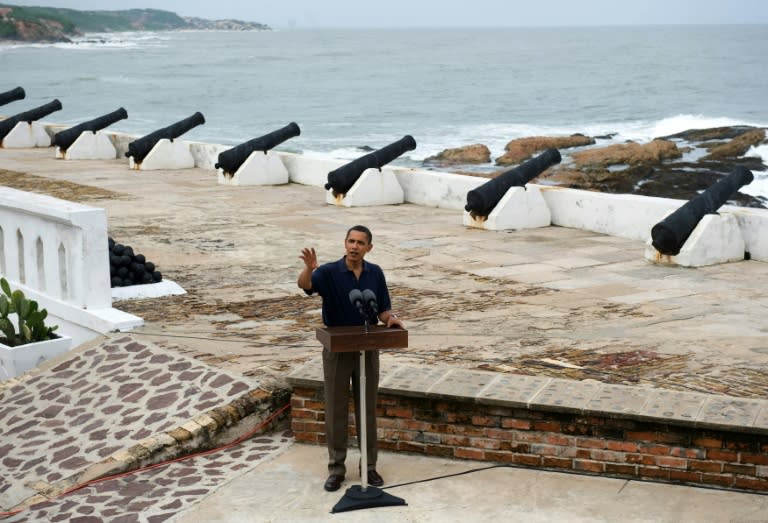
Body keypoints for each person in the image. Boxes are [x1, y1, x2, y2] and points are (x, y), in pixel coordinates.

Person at [298, 224, 404, 492]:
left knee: (366, 406)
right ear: (345, 243)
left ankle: (369, 467)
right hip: (338, 348)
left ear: (369, 247)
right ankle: (336, 468)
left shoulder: (375, 273)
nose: (354, 246)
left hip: (368, 346)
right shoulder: (329, 272)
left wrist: (390, 319)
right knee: (336, 407)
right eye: (350, 241)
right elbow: (306, 286)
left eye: (360, 242)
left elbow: (381, 309)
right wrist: (310, 268)